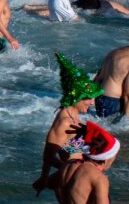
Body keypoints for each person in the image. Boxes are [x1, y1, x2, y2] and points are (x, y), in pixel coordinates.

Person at [33, 52, 104, 196]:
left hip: (79, 175)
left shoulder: (74, 115)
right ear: (76, 97)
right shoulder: (64, 122)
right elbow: (48, 156)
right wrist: (69, 167)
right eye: (88, 99)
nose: (92, 103)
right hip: (71, 180)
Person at [56, 122, 118, 204]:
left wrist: (81, 136)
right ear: (107, 158)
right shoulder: (98, 178)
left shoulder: (67, 166)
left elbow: (64, 152)